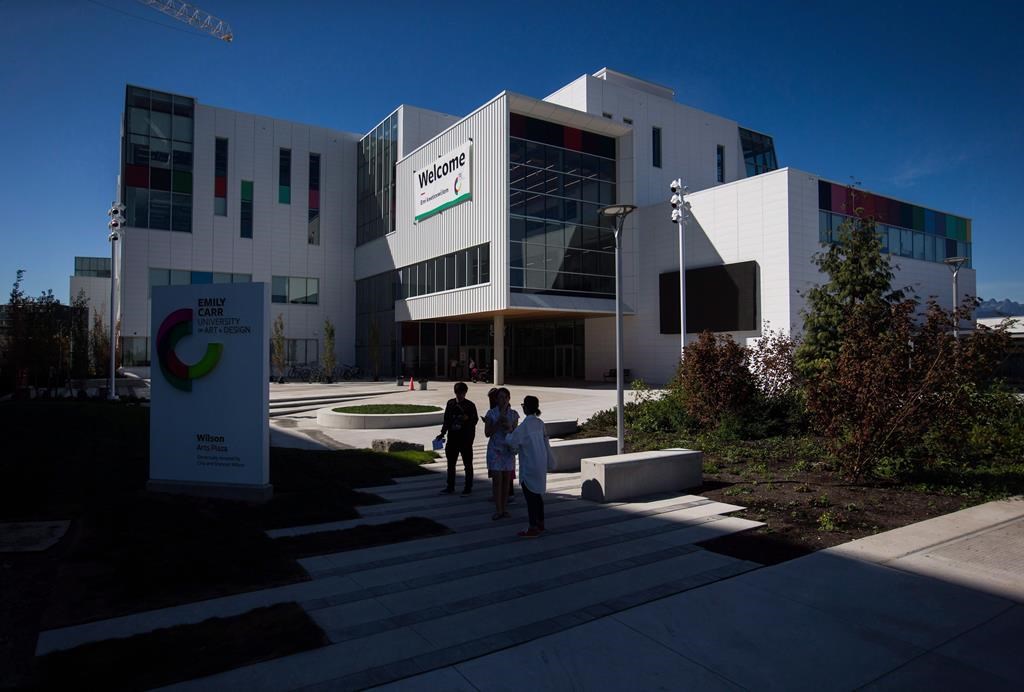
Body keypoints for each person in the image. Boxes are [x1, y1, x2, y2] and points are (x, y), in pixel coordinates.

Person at [506, 395, 553, 538]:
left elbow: (512, 442)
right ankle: (540, 523)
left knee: (530, 497)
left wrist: (508, 431)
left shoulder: (524, 426)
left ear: (525, 407)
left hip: (529, 466)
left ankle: (532, 527)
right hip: (540, 463)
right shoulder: (539, 423)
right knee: (537, 496)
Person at [436, 382, 478, 496]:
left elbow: (474, 421)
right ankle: (450, 486)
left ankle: (468, 487)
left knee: (467, 464)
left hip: (465, 440)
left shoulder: (470, 405)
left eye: (462, 393)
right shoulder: (451, 404)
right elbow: (447, 420)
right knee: (451, 464)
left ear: (465, 393)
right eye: (458, 393)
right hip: (452, 439)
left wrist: (467, 419)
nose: (459, 395)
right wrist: (442, 433)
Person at [484, 386, 518, 520]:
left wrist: (509, 427)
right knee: (497, 481)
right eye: (500, 398)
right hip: (495, 450)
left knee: (506, 481)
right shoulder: (491, 413)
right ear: (496, 400)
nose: (503, 400)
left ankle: (504, 509)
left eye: (505, 397)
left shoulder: (514, 414)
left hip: (508, 451)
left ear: (509, 399)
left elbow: (515, 433)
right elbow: (487, 433)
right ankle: (498, 509)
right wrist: (498, 423)